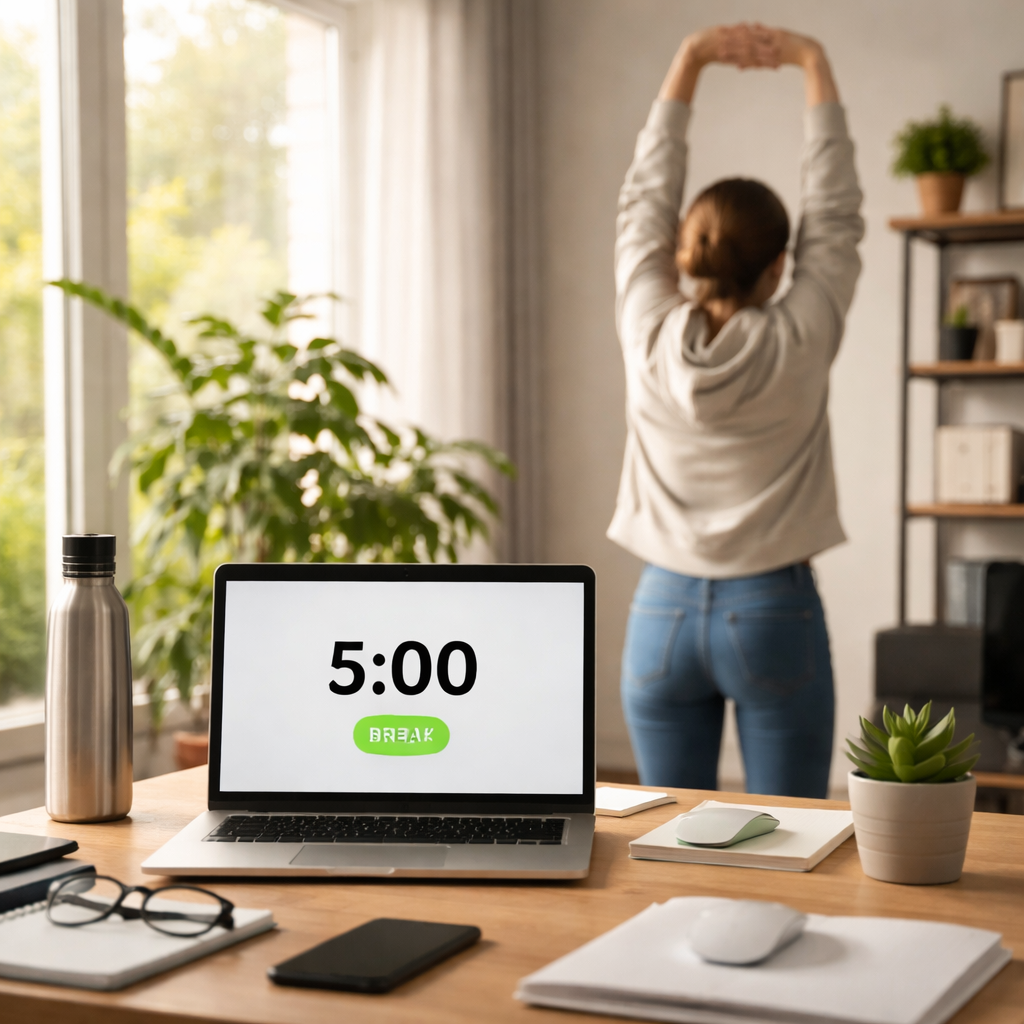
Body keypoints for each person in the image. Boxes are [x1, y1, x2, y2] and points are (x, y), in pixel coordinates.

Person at [610, 24, 864, 798]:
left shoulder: (646, 328)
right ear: (779, 265)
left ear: (683, 253)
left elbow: (643, 201)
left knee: (665, 835)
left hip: (660, 612)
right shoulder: (801, 336)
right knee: (793, 835)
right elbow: (836, 214)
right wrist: (812, 62)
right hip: (772, 609)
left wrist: (689, 58)